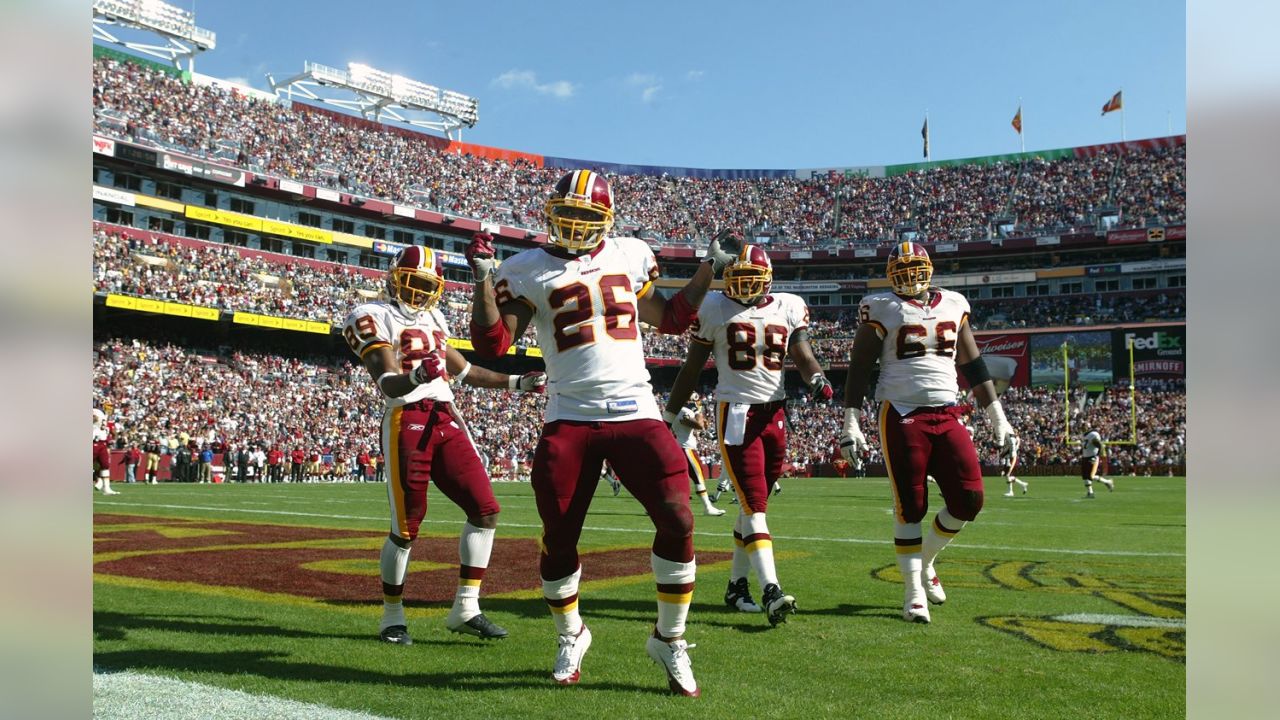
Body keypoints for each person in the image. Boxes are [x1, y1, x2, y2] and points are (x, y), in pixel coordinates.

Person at [468, 170, 737, 696]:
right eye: (565, 216)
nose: (573, 227)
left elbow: (674, 318)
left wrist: (710, 268)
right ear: (549, 214)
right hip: (569, 414)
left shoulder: (630, 254)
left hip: (635, 408)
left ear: (605, 221)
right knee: (559, 535)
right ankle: (572, 633)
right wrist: (482, 278)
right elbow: (494, 344)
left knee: (679, 517)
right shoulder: (526, 269)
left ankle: (670, 637)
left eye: (584, 217)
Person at [344, 245, 547, 645]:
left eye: (426, 285)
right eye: (413, 283)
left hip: (446, 416)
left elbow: (466, 371)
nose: (418, 293)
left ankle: (466, 607)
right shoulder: (371, 315)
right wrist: (418, 375)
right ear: (394, 276)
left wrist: (515, 383)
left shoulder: (434, 318)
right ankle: (392, 617)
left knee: (485, 509)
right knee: (406, 527)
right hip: (406, 416)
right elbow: (386, 381)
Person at [838, 242, 1016, 624]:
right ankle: (912, 592)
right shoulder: (881, 307)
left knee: (970, 499)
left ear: (930, 268)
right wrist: (851, 420)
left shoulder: (954, 303)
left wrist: (998, 417)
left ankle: (927, 562)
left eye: (915, 268)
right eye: (901, 269)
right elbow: (858, 368)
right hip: (902, 412)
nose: (909, 276)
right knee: (911, 505)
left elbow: (974, 364)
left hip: (948, 412)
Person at [665, 245, 831, 626]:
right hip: (736, 412)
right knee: (754, 505)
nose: (741, 289)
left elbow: (802, 354)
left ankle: (736, 585)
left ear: (767, 280)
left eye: (750, 282)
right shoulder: (714, 308)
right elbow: (692, 368)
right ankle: (771, 588)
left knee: (751, 507)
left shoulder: (788, 306)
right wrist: (670, 413)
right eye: (735, 281)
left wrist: (817, 376)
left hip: (775, 413)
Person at [667, 393, 724, 517]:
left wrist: (701, 417)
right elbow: (698, 425)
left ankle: (659, 506)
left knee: (677, 479)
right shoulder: (683, 410)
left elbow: (703, 425)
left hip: (683, 446)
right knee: (698, 477)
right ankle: (708, 507)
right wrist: (698, 411)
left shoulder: (679, 410)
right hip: (686, 448)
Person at [1080, 422, 1114, 498]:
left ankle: (1107, 482)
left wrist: (1099, 456)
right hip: (1085, 457)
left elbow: (1099, 445)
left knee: (1090, 476)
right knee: (1085, 476)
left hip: (1092, 457)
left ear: (1088, 427)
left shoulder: (1093, 434)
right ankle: (1090, 493)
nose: (1082, 428)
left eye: (1084, 426)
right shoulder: (1084, 435)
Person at [93, 408, 119, 495]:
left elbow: (113, 432)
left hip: (103, 444)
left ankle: (106, 488)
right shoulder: (96, 412)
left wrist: (113, 440)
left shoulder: (109, 419)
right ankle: (98, 479)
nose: (110, 409)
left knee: (105, 465)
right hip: (94, 442)